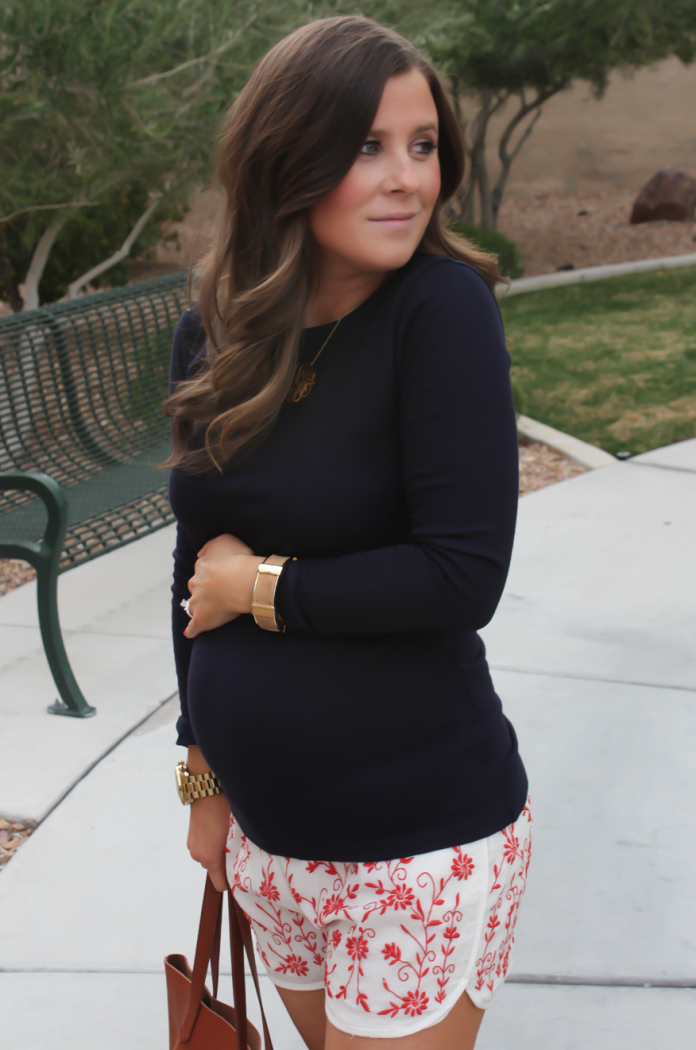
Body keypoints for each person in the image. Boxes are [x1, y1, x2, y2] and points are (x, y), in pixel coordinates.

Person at [166, 15, 531, 1050]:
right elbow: (189, 573)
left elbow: (461, 575)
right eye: (368, 147)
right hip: (268, 845)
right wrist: (201, 776)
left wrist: (260, 588)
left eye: (423, 146)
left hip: (415, 843)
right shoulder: (219, 328)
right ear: (288, 155)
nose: (407, 178)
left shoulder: (441, 310)